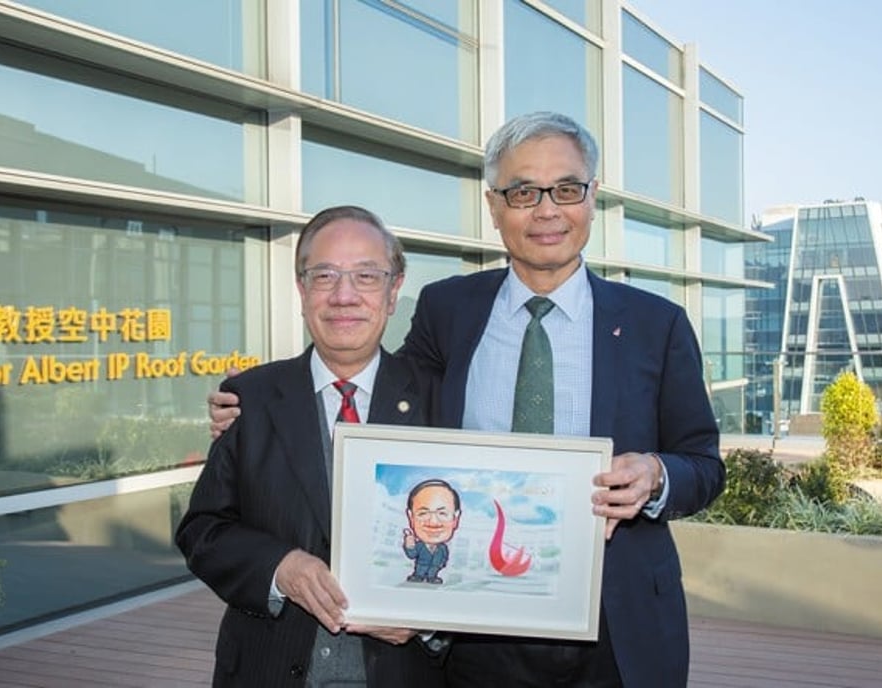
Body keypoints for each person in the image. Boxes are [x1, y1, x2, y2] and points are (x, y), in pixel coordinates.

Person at [209, 112, 725, 687]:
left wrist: (655, 474)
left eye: (567, 189)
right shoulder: (448, 310)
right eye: (524, 191)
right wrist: (262, 404)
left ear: (592, 197)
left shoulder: (658, 325)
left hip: (613, 620)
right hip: (472, 628)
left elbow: (702, 463)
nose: (547, 210)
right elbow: (381, 393)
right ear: (494, 206)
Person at [177, 206, 444, 687]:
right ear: (301, 291)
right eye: (324, 275)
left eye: (366, 276)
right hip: (268, 669)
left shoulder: (441, 400)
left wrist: (427, 620)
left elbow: (469, 543)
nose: (344, 296)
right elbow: (202, 531)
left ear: (393, 290)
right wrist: (281, 567)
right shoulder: (250, 398)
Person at [402, 479, 461, 584]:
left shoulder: (442, 548)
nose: (433, 522)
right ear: (411, 518)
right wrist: (409, 545)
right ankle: (418, 576)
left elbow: (444, 556)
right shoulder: (419, 545)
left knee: (432, 574)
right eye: (423, 513)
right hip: (421, 566)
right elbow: (412, 555)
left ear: (455, 520)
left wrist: (442, 564)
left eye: (442, 513)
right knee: (419, 573)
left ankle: (432, 577)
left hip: (435, 567)